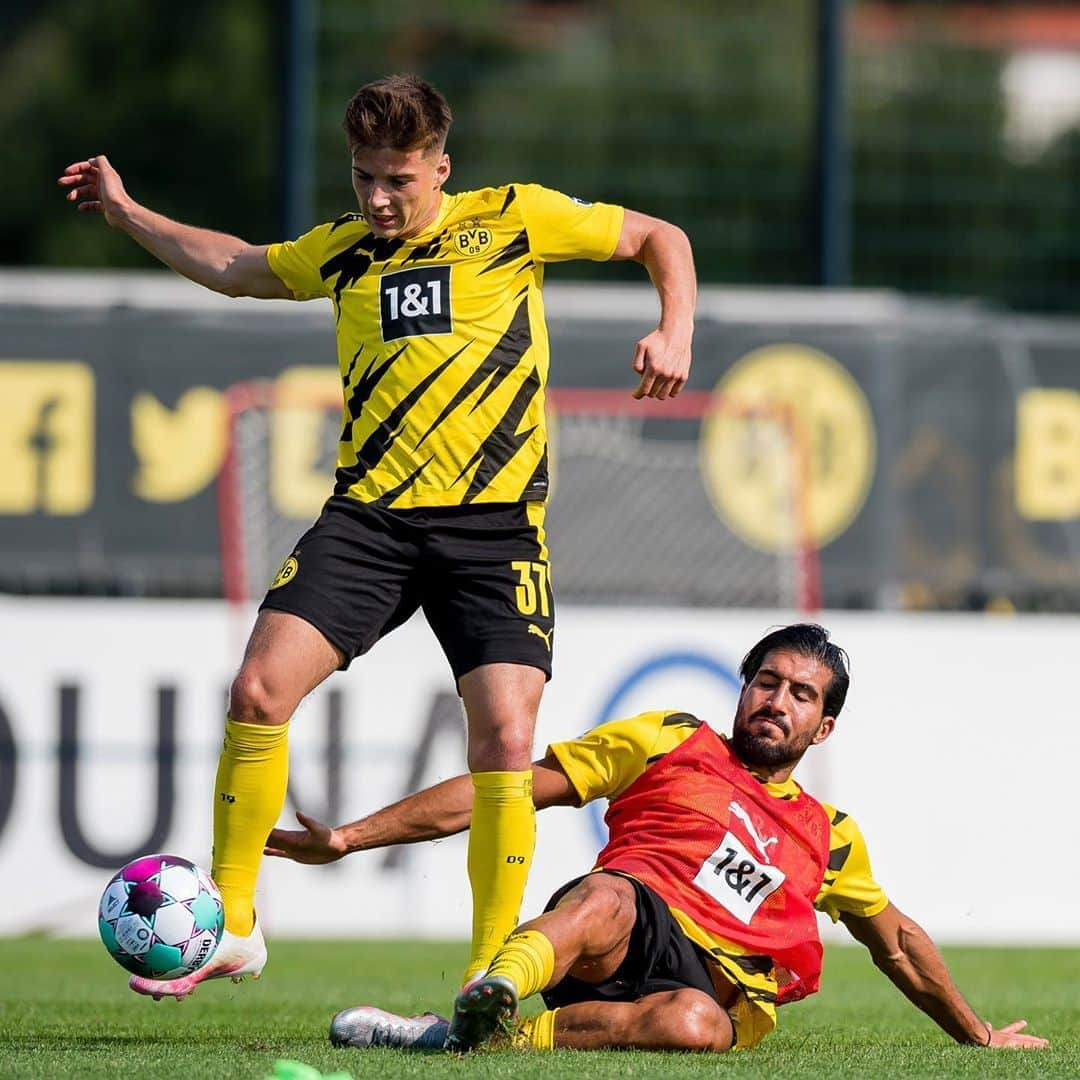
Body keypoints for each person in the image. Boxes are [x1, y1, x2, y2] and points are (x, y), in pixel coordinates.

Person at [58, 73, 696, 1012]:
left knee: (508, 743)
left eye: (398, 179)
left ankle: (489, 969)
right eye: (363, 178)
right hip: (373, 520)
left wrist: (674, 327)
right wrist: (127, 214)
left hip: (495, 527)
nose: (378, 199)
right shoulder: (345, 252)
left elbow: (657, 236)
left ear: (441, 168)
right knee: (256, 688)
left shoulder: (514, 219)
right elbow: (236, 264)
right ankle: (234, 925)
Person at [265, 623, 1049, 1054]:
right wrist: (350, 837)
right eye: (766, 682)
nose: (777, 700)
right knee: (609, 893)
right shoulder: (669, 739)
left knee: (696, 1030)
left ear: (825, 725)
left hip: (706, 992)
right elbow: (507, 792)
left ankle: (479, 1041)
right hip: (617, 930)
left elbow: (899, 943)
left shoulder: (830, 837)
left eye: (801, 694)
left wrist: (977, 1036)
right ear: (743, 689)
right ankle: (493, 987)